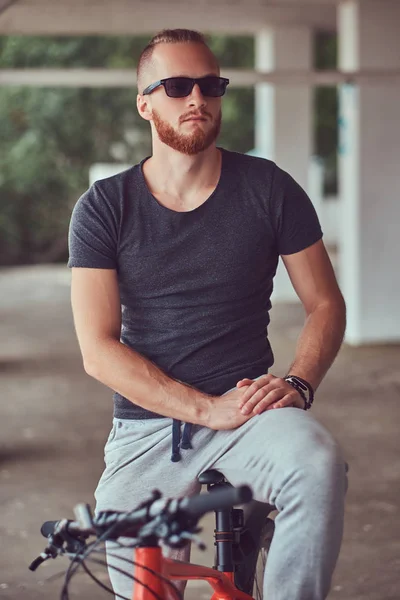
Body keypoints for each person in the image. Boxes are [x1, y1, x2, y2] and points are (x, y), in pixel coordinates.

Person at [68, 28, 348, 600]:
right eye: (176, 86)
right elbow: (97, 350)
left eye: (210, 84)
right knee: (141, 587)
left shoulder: (269, 188)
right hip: (147, 428)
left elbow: (325, 304)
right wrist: (203, 409)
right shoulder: (104, 207)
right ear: (144, 102)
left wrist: (298, 381)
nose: (196, 98)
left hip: (249, 410)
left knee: (317, 468)